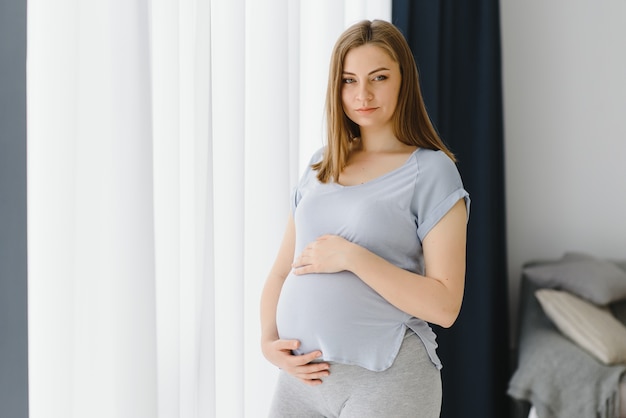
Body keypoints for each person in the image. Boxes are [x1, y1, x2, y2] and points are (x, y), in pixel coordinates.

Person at [260, 19, 469, 418]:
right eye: (349, 80)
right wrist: (268, 343)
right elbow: (280, 272)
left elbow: (445, 305)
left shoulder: (432, 171)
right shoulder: (320, 165)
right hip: (301, 380)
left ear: (403, 81)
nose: (363, 94)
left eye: (379, 77)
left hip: (387, 380)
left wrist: (352, 257)